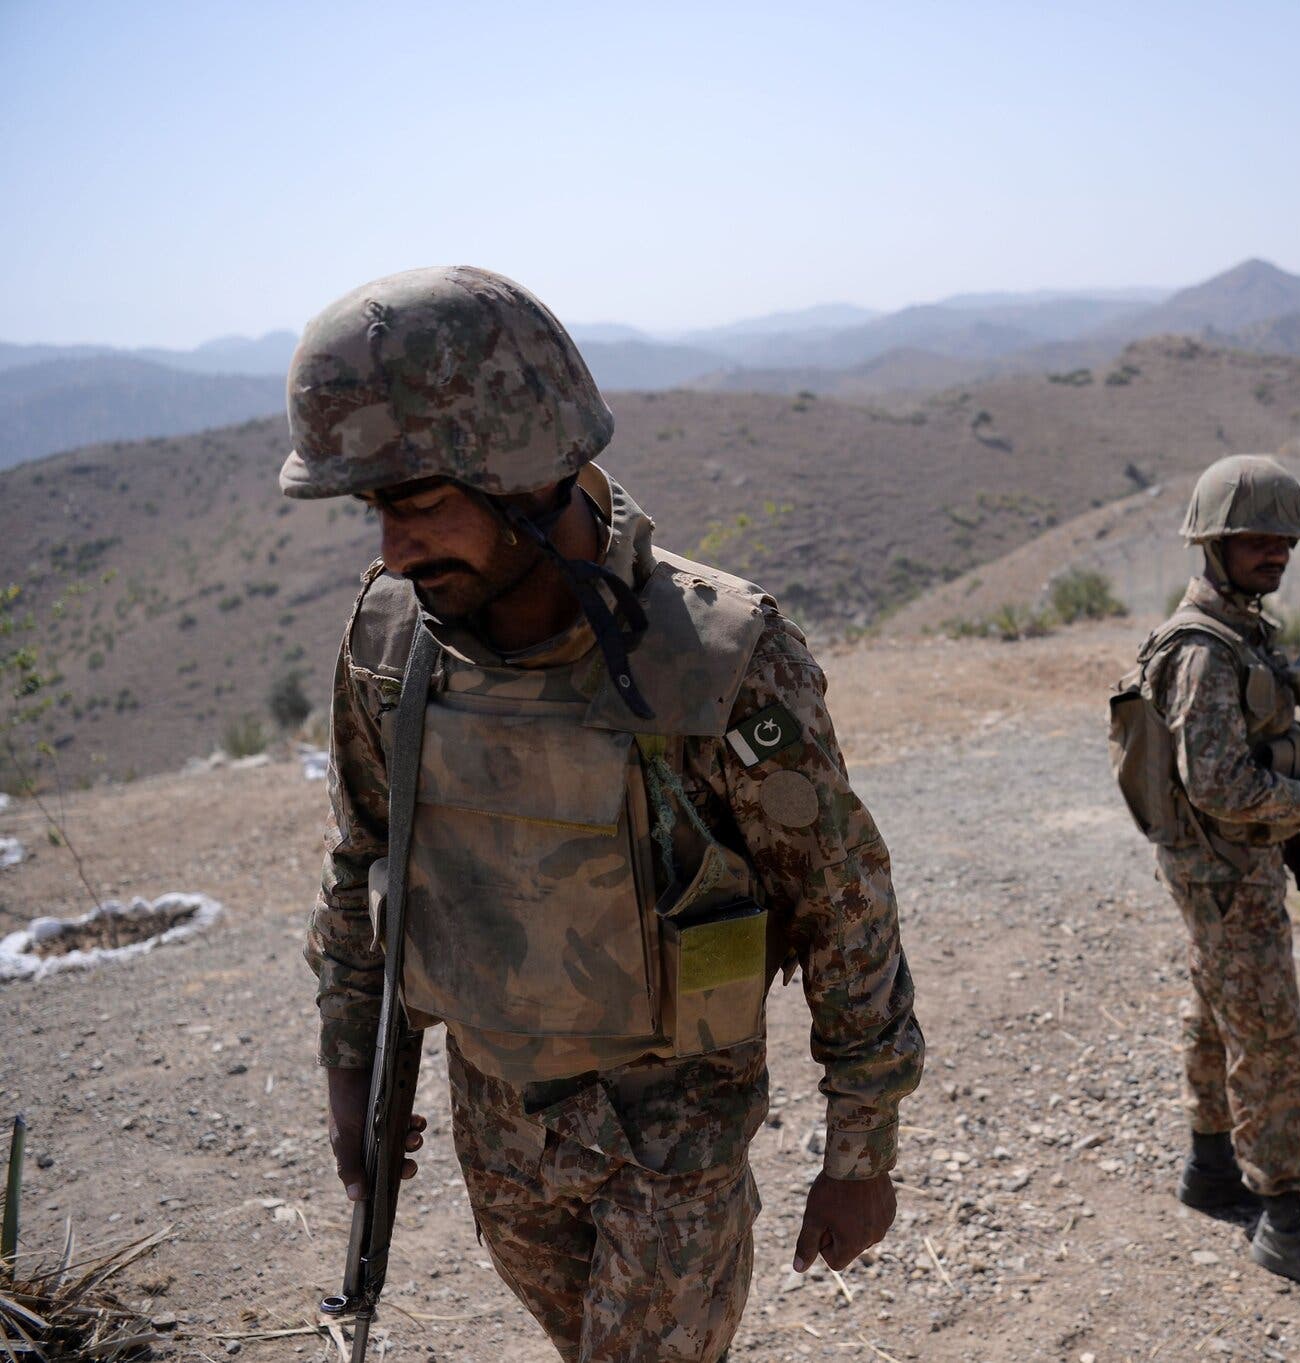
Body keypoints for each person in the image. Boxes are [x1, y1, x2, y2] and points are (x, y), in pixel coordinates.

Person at [285, 265, 923, 1362]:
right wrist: (356, 1075)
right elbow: (365, 860)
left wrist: (860, 1151)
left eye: (420, 505)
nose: (392, 551)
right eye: (375, 511)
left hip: (674, 1138)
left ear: (528, 473)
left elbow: (843, 904)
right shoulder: (394, 644)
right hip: (499, 1127)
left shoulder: (718, 660)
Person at [1125, 454, 1300, 1303]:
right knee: (1273, 1038)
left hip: (1227, 870)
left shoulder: (1239, 632)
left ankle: (1211, 1166)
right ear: (1213, 543)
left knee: (1219, 1008)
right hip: (1225, 872)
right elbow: (1220, 785)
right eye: (1258, 538)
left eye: (1286, 540)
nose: (1278, 552)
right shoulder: (1205, 649)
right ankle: (1283, 1214)